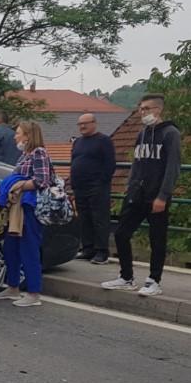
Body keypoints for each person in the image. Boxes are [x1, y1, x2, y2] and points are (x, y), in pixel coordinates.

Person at [101, 94, 183, 297]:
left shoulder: (170, 134)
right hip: (136, 193)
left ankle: (154, 280)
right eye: (140, 109)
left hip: (156, 195)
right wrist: (130, 187)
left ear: (158, 110)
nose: (142, 112)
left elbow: (172, 168)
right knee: (121, 233)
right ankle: (126, 277)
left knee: (157, 239)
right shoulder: (142, 133)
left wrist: (163, 196)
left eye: (146, 109)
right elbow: (137, 164)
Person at [0, 120, 52, 307]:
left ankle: (34, 293)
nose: (15, 136)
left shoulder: (39, 153)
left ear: (28, 135)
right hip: (17, 206)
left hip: (29, 206)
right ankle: (13, 286)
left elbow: (43, 180)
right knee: (11, 247)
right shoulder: (24, 155)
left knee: (29, 248)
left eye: (18, 133)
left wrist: (19, 185)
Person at [69, 113, 116, 264]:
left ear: (94, 123)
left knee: (99, 219)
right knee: (84, 219)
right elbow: (74, 161)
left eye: (86, 123)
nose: (82, 126)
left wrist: (101, 182)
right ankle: (87, 248)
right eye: (80, 124)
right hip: (80, 187)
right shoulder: (78, 142)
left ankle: (101, 251)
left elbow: (110, 164)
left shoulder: (104, 141)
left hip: (97, 187)